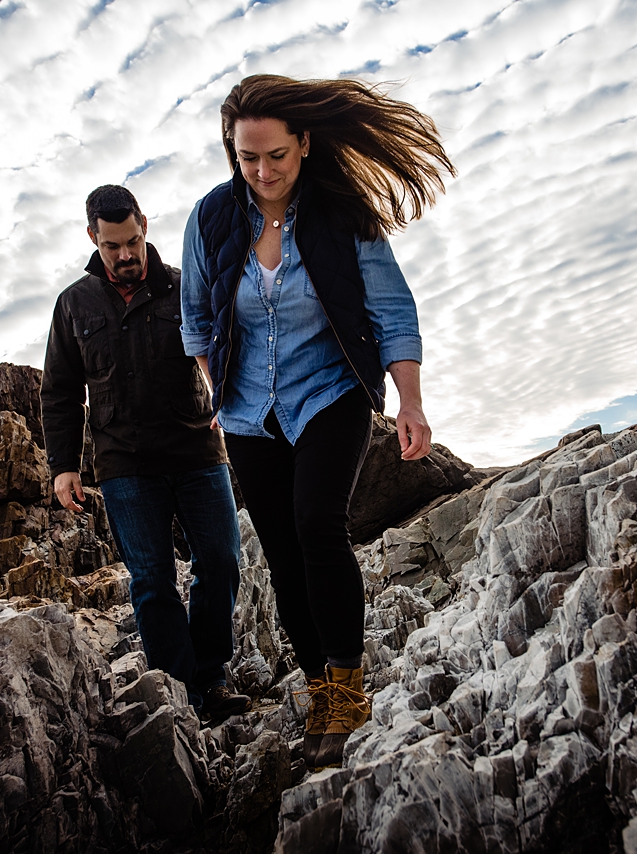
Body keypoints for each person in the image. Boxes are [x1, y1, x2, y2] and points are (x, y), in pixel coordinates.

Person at [181, 75, 455, 768]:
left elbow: (392, 310)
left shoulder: (341, 214)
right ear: (232, 153)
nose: (263, 171)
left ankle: (349, 681)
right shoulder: (212, 219)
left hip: (329, 392)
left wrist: (411, 402)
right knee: (279, 550)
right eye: (248, 158)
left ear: (303, 143)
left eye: (275, 155)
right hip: (246, 412)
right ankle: (316, 685)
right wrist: (217, 388)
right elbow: (194, 319)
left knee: (316, 526)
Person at [41, 184, 251, 724]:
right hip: (124, 465)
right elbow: (61, 390)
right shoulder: (74, 304)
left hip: (197, 452)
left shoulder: (185, 288)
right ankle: (183, 696)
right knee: (153, 582)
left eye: (132, 241)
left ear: (145, 227)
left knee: (222, 562)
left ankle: (212, 677)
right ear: (94, 238)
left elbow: (226, 354)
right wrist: (64, 466)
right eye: (113, 246)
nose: (126, 254)